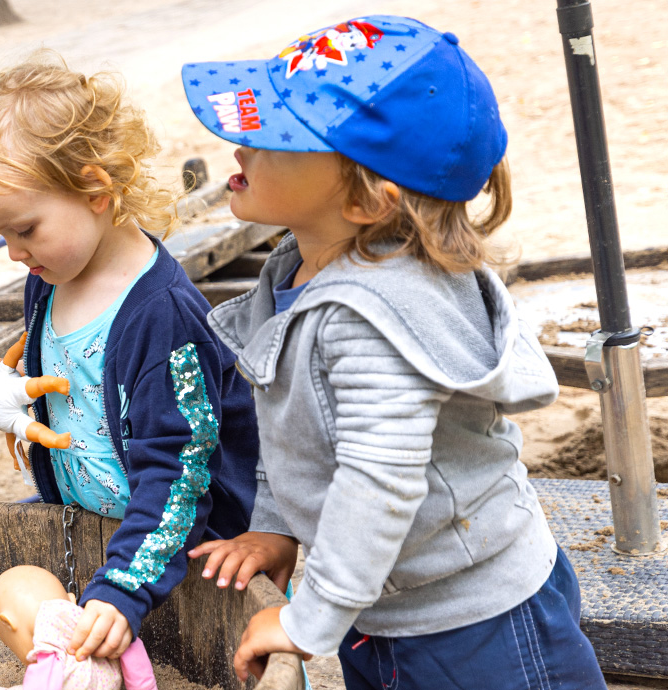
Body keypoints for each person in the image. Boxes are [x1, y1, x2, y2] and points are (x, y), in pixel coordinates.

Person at [177, 16, 606, 688]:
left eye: (273, 134)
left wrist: (304, 620)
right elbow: (291, 427)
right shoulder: (295, 271)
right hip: (380, 606)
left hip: (474, 627)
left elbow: (378, 480)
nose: (238, 141)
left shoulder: (372, 317)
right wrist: (278, 527)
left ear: (366, 200)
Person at [0, 54, 260, 663]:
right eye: (0, 237)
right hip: (91, 516)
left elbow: (180, 477)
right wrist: (0, 386)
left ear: (95, 190)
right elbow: (72, 381)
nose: (14, 253)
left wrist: (123, 589)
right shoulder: (52, 271)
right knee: (4, 586)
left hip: (174, 538)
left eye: (25, 229)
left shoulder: (160, 316)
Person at [0, 565, 156, 690]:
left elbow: (44, 683)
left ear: (9, 623)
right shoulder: (104, 624)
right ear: (71, 600)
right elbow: (133, 651)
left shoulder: (50, 646)